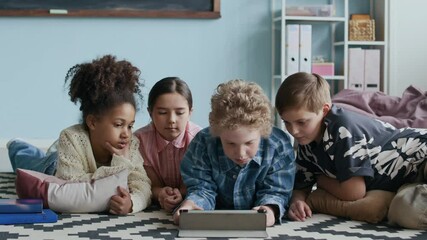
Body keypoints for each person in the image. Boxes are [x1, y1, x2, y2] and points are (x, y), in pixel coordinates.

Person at [275, 72, 427, 228]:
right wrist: (297, 201)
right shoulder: (306, 139)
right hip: (408, 180)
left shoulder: (342, 130)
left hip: (422, 155)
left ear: (325, 110)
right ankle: (387, 198)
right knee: (405, 212)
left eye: (301, 122)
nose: (293, 131)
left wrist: (320, 179)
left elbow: (353, 193)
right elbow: (302, 185)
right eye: (287, 122)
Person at [8, 55, 152, 215]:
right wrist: (120, 166)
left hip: (71, 162)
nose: (126, 133)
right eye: (118, 125)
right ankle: (17, 145)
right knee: (28, 162)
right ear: (92, 122)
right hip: (54, 167)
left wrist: (132, 203)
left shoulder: (131, 145)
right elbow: (71, 185)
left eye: (130, 126)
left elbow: (142, 183)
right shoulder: (71, 138)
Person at [172, 79, 296, 227]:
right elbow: (201, 188)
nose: (240, 153)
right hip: (215, 225)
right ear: (218, 134)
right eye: (230, 143)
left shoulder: (278, 146)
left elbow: (276, 192)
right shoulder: (203, 144)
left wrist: (269, 209)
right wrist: (191, 205)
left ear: (263, 132)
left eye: (249, 143)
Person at [134, 77, 202, 212]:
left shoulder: (200, 139)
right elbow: (143, 183)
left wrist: (181, 193)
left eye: (180, 113)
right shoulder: (139, 140)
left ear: (190, 113)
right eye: (162, 113)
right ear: (150, 112)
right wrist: (160, 193)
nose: (171, 120)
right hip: (150, 205)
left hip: (190, 202)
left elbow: (200, 182)